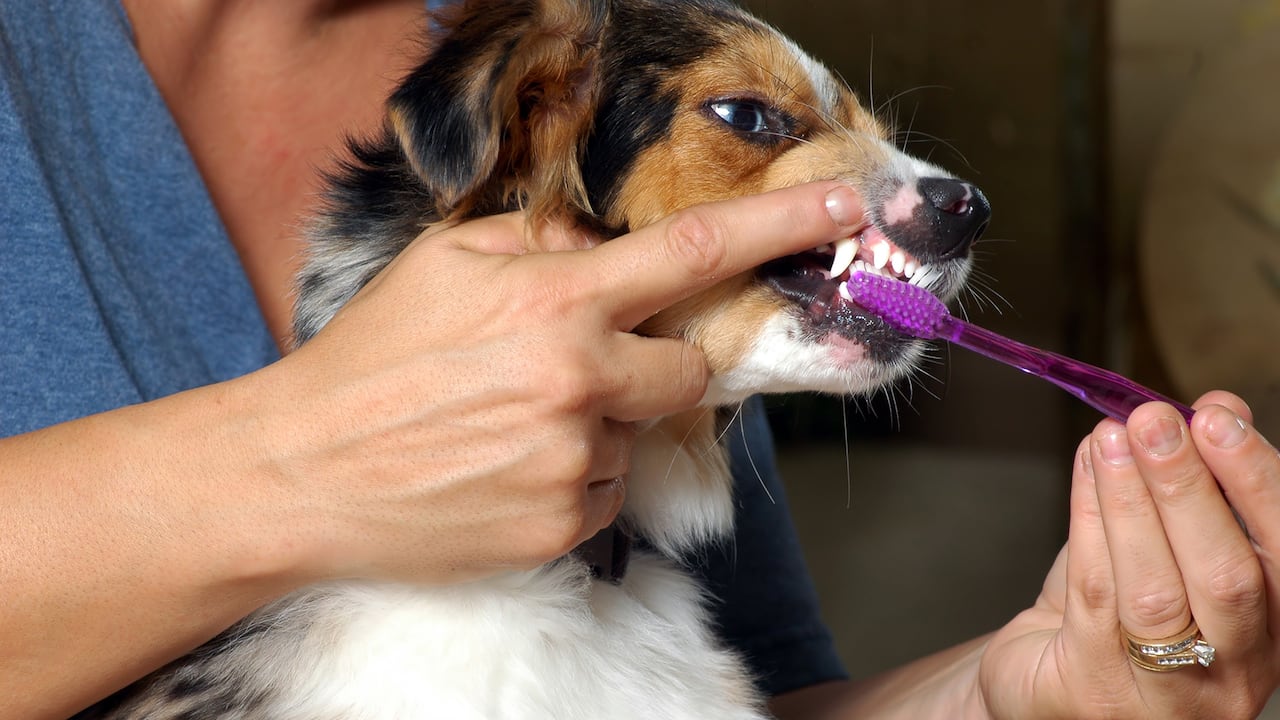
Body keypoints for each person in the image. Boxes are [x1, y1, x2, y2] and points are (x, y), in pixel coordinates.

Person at [2, 2, 1278, 719]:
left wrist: (1025, 692)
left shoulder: (629, 166)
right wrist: (305, 471)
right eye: (752, 124)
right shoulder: (553, 93)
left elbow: (746, 691)